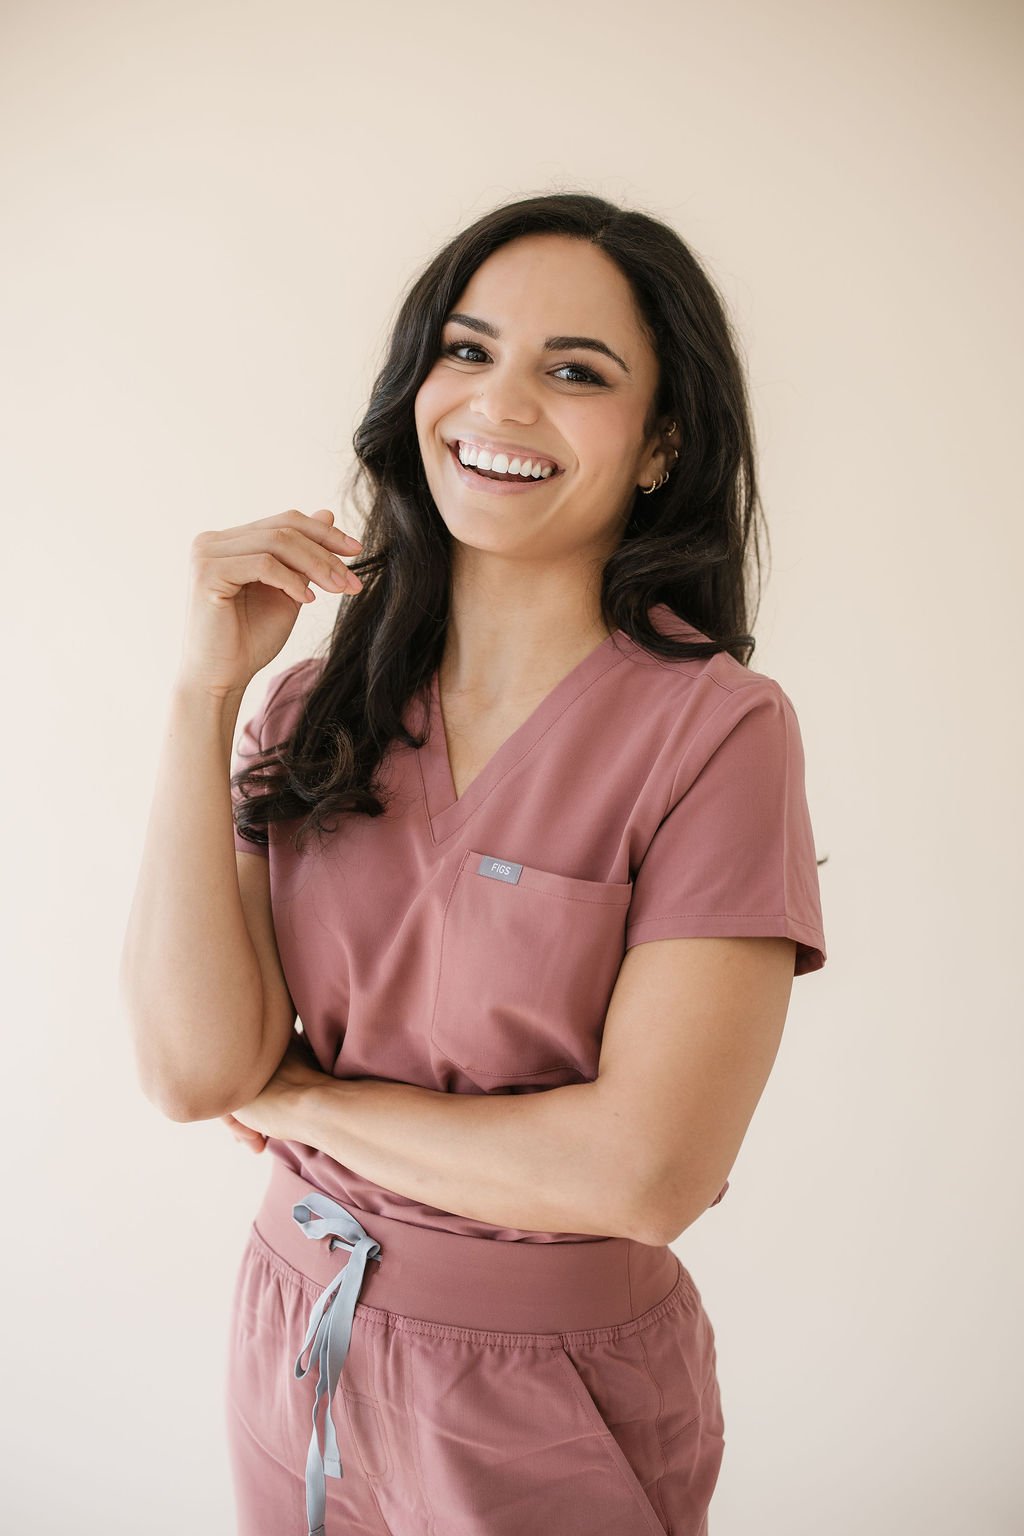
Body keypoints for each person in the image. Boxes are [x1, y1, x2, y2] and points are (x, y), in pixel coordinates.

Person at [120, 191, 827, 1536]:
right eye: (467, 350)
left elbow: (643, 1176)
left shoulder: (717, 733)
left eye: (576, 371)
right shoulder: (308, 709)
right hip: (292, 1330)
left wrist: (310, 1110)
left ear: (665, 441)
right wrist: (201, 698)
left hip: (548, 1395)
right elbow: (193, 1073)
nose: (502, 403)